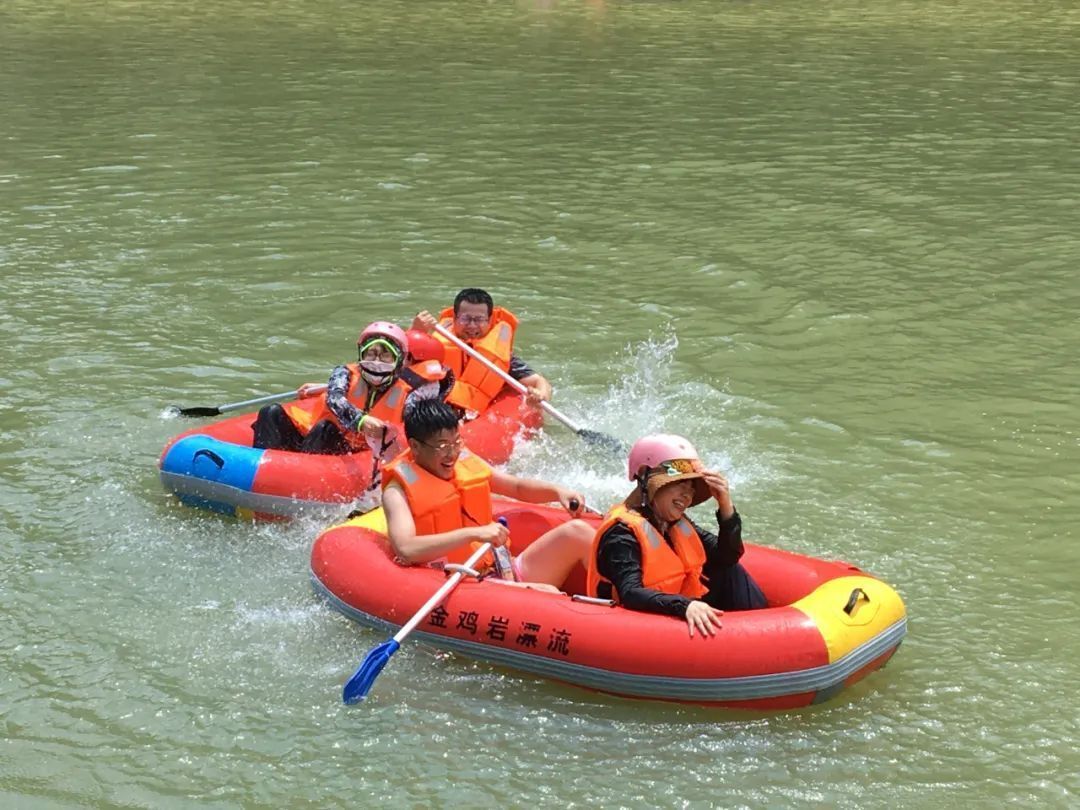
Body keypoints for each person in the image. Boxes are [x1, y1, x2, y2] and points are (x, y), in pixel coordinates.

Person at [382, 399, 593, 591]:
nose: (452, 454)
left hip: (501, 567)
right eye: (443, 446)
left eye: (456, 442)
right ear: (415, 446)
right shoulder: (397, 491)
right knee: (548, 593)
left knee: (577, 531)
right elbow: (406, 548)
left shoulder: (463, 461)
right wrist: (473, 534)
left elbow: (516, 487)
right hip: (461, 583)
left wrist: (557, 492)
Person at [585, 434, 768, 637]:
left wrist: (726, 506)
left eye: (691, 489)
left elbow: (727, 557)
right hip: (633, 629)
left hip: (672, 611)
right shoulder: (621, 534)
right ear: (646, 477)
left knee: (730, 570)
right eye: (680, 484)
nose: (687, 496)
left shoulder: (674, 522)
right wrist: (684, 605)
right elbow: (630, 593)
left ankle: (762, 631)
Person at [252, 322, 450, 457]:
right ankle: (262, 469)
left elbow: (420, 419)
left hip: (356, 450)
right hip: (320, 435)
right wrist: (361, 421)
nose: (376, 361)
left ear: (398, 360)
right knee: (270, 412)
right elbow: (334, 399)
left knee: (325, 429)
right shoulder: (343, 373)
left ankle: (296, 479)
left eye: (385, 356)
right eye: (370, 354)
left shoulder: (410, 393)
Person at [411, 287, 552, 415]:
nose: (472, 325)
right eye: (466, 318)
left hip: (472, 415)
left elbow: (539, 381)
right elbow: (403, 366)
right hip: (436, 410)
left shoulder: (498, 356)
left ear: (489, 320)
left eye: (479, 320)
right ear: (454, 318)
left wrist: (540, 395)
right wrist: (415, 331)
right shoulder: (435, 345)